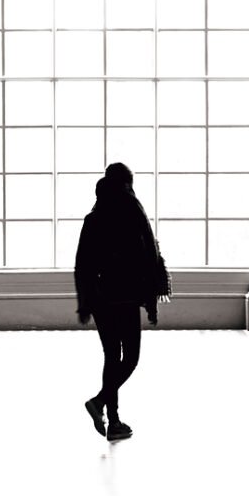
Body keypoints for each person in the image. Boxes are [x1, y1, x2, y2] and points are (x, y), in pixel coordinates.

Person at [74, 162, 161, 441]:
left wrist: (85, 302)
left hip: (100, 298)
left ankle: (113, 421)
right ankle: (101, 406)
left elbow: (82, 265)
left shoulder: (94, 217)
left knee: (111, 357)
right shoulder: (132, 214)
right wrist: (151, 301)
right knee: (130, 358)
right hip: (125, 296)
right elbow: (148, 258)